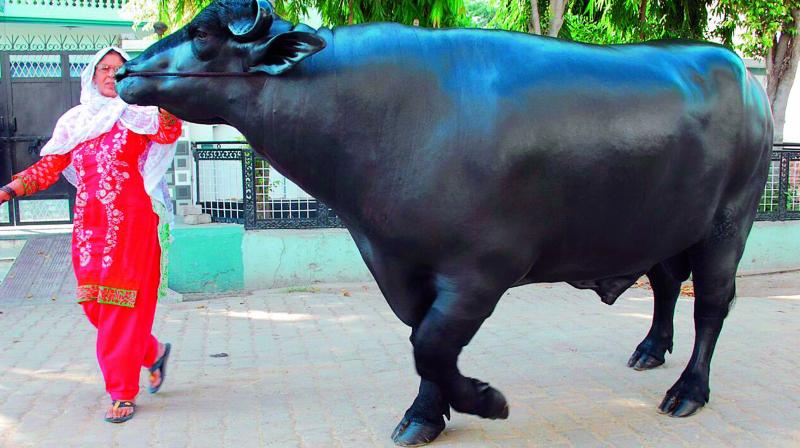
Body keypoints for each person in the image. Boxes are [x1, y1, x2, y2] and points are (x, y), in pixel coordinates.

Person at [0, 47, 182, 423]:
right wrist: (10, 190)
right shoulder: (75, 122)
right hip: (89, 225)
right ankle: (150, 351)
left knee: (120, 305)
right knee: (94, 305)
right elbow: (51, 165)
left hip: (132, 222)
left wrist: (164, 95)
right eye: (104, 68)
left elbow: (168, 132)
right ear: (92, 75)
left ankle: (121, 391)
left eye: (118, 69)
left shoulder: (139, 115)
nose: (110, 75)